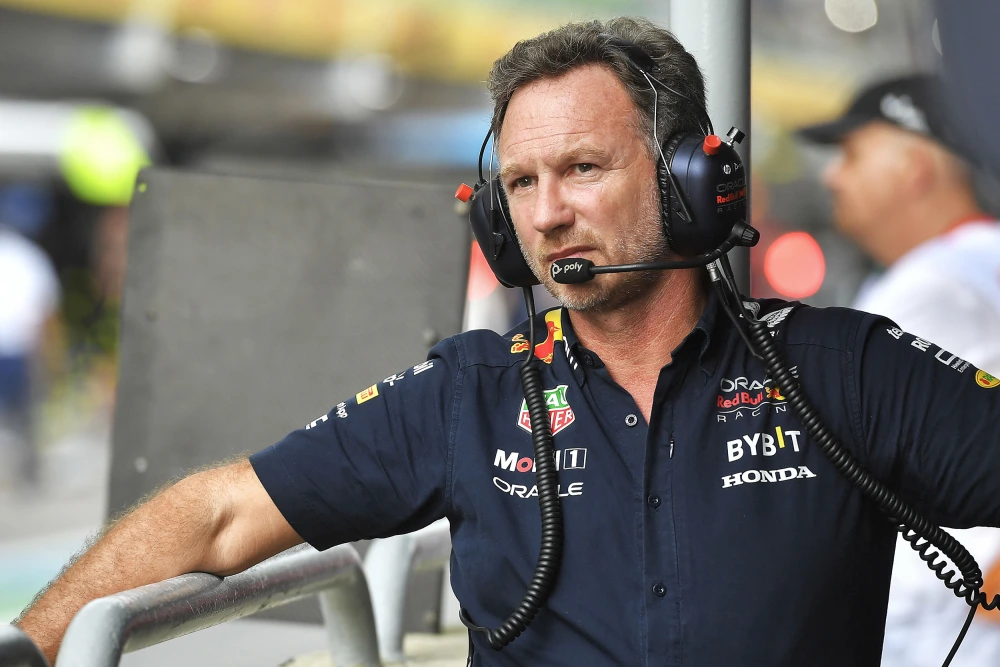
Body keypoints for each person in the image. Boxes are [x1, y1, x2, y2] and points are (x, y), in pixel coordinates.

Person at [13, 18, 1000, 666]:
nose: (548, 213)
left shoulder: (846, 367)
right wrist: (25, 646)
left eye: (582, 168)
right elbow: (221, 514)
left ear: (690, 183)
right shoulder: (469, 393)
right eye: (522, 184)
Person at [799, 75, 1000, 667]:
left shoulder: (938, 282)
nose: (832, 176)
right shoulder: (967, 265)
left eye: (852, 154)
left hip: (955, 638)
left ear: (915, 168)